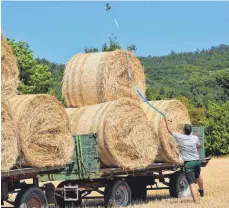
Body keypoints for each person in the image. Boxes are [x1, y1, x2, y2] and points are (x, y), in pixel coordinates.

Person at [164, 118, 204, 202]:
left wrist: (167, 121)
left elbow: (169, 130)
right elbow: (200, 146)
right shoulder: (195, 138)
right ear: (191, 130)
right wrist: (196, 149)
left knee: (192, 184)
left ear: (183, 131)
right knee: (199, 176)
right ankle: (201, 190)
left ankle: (196, 202)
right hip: (197, 161)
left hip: (188, 163)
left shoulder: (180, 137)